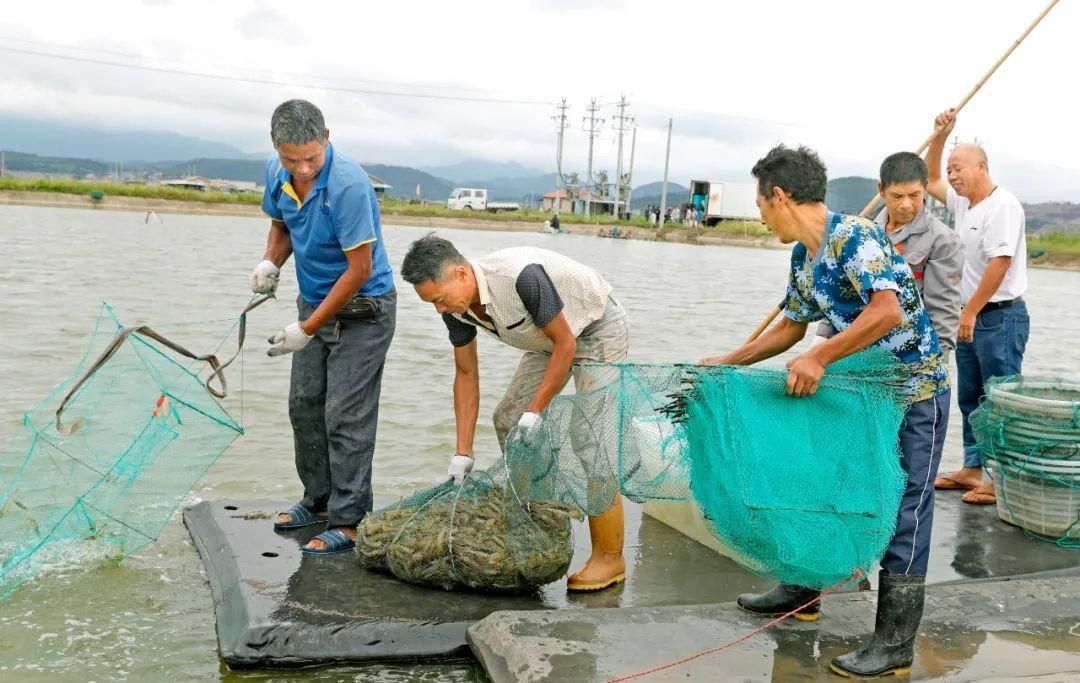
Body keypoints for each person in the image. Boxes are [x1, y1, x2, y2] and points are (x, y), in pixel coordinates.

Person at [705, 145, 950, 678]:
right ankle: (803, 591)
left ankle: (894, 642)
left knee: (907, 507)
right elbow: (793, 326)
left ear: (780, 196)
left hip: (914, 395)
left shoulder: (855, 238)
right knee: (821, 484)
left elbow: (885, 311)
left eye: (761, 205)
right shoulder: (805, 257)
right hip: (860, 396)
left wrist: (820, 355)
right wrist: (728, 361)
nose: (763, 216)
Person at [400, 235, 631, 591]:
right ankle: (540, 517)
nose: (439, 310)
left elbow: (567, 343)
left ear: (461, 273)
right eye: (432, 303)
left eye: (440, 299)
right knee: (508, 419)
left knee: (591, 438)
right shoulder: (456, 307)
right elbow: (466, 374)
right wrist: (463, 452)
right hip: (546, 339)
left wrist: (536, 410)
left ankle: (610, 558)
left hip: (596, 328)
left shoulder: (521, 276)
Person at [252, 99, 397, 555]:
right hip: (314, 303)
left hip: (363, 310)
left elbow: (358, 270)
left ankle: (350, 521)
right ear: (276, 149)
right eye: (292, 159)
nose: (303, 168)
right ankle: (316, 502)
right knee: (304, 406)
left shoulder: (349, 186)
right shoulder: (278, 173)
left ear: (327, 137)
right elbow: (282, 222)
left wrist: (308, 328)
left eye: (311, 157)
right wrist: (270, 263)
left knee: (345, 416)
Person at [925, 109, 1030, 505]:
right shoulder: (964, 204)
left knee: (999, 400)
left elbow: (1000, 264)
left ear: (981, 167)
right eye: (951, 169)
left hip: (999, 317)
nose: (951, 176)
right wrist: (940, 135)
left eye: (958, 168)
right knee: (971, 397)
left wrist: (968, 311)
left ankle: (1000, 477)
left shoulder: (1003, 206)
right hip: (969, 317)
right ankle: (973, 467)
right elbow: (930, 177)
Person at [814, 152, 963, 363]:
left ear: (926, 189)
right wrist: (822, 336)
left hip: (906, 357)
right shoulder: (861, 230)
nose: (905, 204)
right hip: (852, 349)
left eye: (914, 195)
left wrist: (935, 365)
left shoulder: (943, 241)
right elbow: (842, 290)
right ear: (881, 190)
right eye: (897, 196)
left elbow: (943, 314)